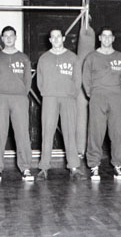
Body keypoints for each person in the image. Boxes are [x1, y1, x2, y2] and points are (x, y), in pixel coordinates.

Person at [36, 28, 85, 180]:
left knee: (70, 132)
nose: (56, 39)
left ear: (63, 38)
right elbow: (39, 81)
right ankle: (44, 167)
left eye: (59, 36)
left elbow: (77, 80)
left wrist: (71, 94)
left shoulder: (73, 58)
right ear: (50, 40)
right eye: (53, 37)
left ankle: (74, 167)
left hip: (68, 98)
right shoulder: (44, 58)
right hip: (49, 98)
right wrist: (47, 93)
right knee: (47, 132)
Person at [0, 26, 34, 182]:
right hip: (0, 98)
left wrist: (20, 93)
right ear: (2, 39)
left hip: (19, 98)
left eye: (11, 35)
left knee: (22, 133)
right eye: (5, 36)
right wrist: (1, 93)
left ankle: (25, 168)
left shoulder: (23, 58)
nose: (8, 38)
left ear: (15, 37)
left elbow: (27, 81)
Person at [83, 26, 121, 181]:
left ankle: (117, 165)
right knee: (95, 132)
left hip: (115, 97)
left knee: (117, 132)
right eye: (104, 36)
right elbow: (86, 79)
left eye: (110, 36)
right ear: (99, 38)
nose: (107, 38)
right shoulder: (92, 57)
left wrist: (116, 92)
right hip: (97, 97)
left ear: (113, 38)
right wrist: (93, 94)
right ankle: (94, 165)